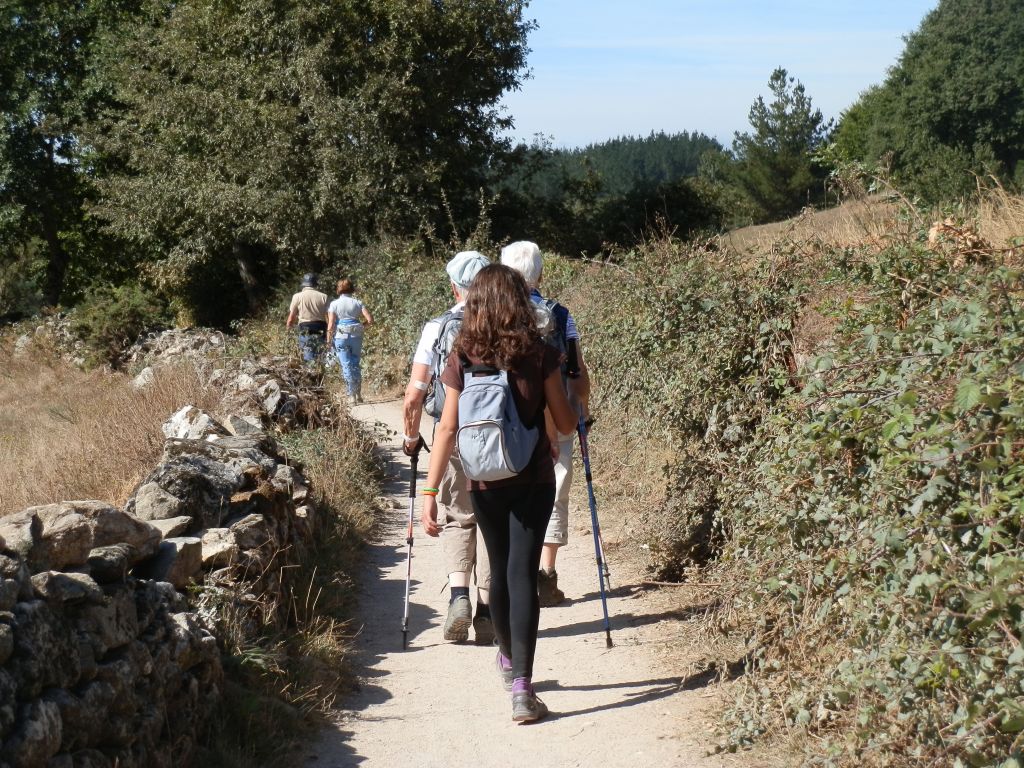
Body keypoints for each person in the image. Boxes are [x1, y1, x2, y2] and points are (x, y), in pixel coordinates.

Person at [420, 264, 577, 723]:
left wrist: (430, 491)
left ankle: (508, 660)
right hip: (532, 479)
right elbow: (565, 425)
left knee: (500, 570)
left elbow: (447, 426)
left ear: (475, 303)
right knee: (522, 573)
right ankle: (523, 690)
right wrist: (568, 404)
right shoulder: (539, 353)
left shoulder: (463, 355)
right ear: (519, 301)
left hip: (482, 481)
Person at [401, 250, 494, 645]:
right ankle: (488, 609)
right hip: (499, 434)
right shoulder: (503, 324)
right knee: (493, 520)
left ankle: (459, 596)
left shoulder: (438, 328)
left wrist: (410, 437)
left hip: (453, 432)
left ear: (453, 285)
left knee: (458, 514)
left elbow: (414, 395)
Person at [500, 241, 591, 606]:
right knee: (555, 490)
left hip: (506, 418)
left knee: (509, 490)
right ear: (540, 274)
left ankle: (511, 573)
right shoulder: (561, 314)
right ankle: (546, 576)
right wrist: (579, 408)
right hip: (556, 415)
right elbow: (577, 372)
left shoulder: (493, 315)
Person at [327, 278, 374, 404]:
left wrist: (328, 340)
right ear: (351, 289)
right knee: (355, 363)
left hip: (340, 336)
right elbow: (370, 319)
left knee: (346, 364)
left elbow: (331, 324)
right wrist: (361, 327)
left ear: (339, 290)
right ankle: (358, 393)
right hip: (356, 335)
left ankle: (351, 394)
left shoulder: (334, 304)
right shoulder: (358, 303)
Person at [286, 273, 330, 364]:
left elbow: (291, 318)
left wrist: (288, 331)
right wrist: (330, 334)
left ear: (304, 284)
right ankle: (320, 375)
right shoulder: (324, 296)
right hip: (321, 329)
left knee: (308, 357)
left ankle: (311, 375)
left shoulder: (297, 296)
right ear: (315, 284)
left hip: (305, 329)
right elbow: (329, 318)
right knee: (321, 357)